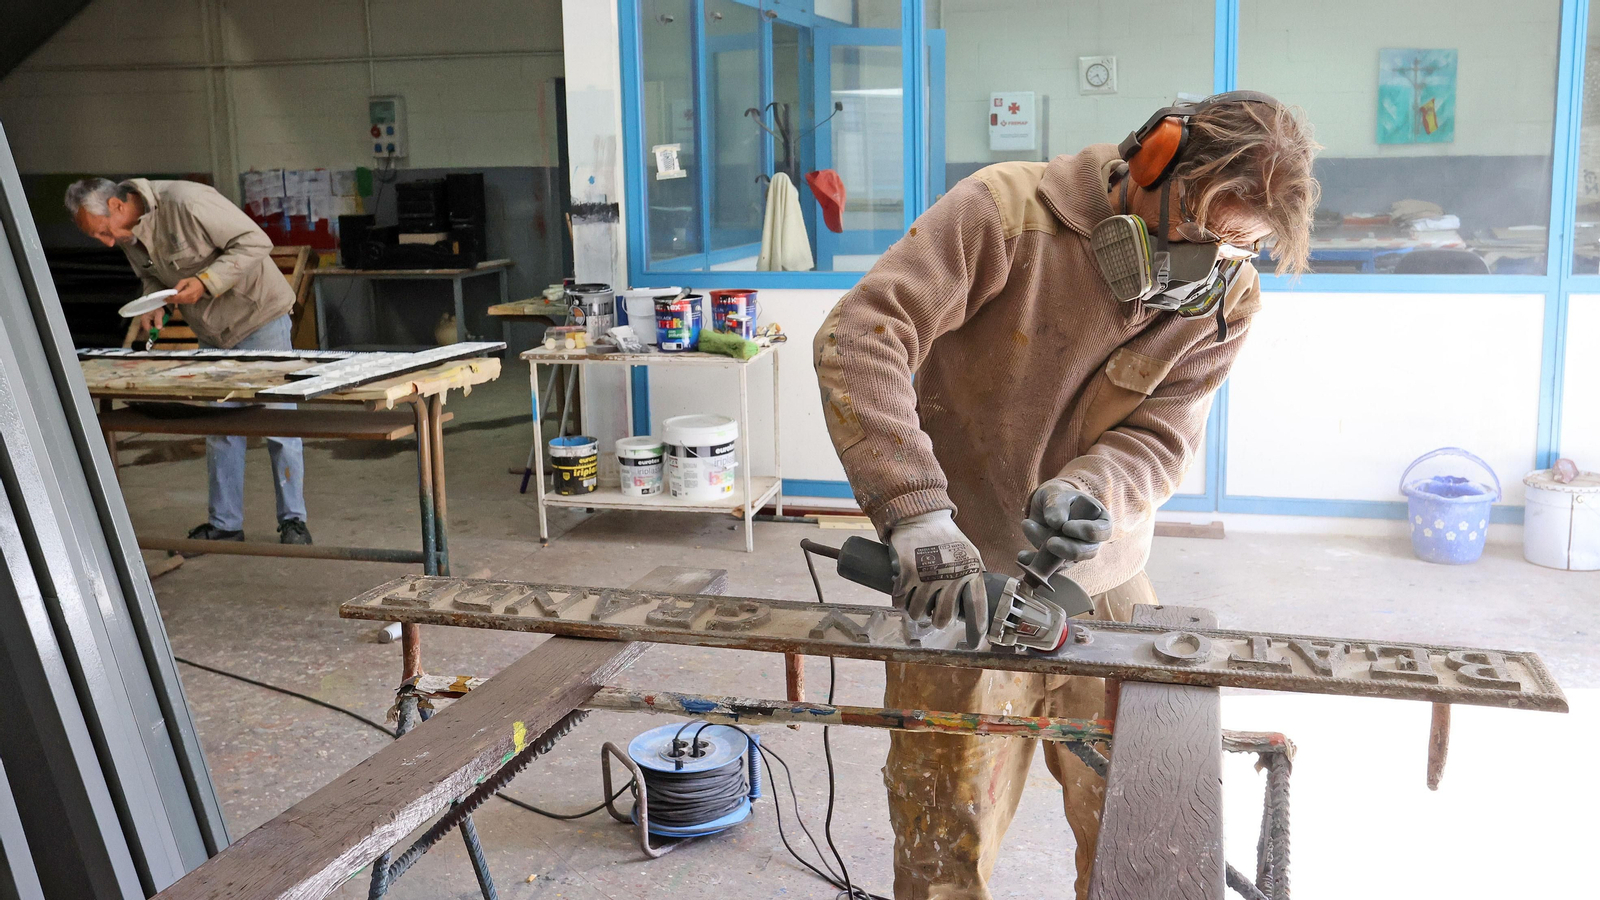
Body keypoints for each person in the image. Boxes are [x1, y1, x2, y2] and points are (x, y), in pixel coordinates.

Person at [812, 92, 1317, 898]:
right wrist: (915, 513)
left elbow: (1159, 437)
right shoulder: (1003, 213)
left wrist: (1093, 493)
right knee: (944, 833)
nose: (1195, 268)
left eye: (1232, 248)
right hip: (959, 573)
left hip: (1103, 577)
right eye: (1190, 232)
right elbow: (861, 338)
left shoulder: (1225, 297)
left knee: (1146, 831)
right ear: (1150, 162)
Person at [67, 177, 313, 549]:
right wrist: (155, 302)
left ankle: (294, 520)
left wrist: (205, 280)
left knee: (279, 424)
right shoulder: (128, 234)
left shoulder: (187, 202)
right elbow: (150, 275)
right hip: (213, 333)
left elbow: (256, 241)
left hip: (259, 318)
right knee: (220, 427)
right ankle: (226, 525)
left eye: (103, 231)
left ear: (116, 205)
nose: (107, 242)